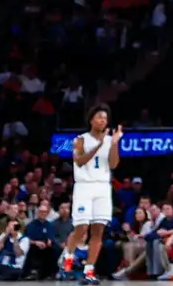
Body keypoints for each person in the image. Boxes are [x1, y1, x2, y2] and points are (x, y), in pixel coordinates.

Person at [62, 105, 120, 285]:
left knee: (98, 230)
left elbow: (113, 164)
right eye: (99, 117)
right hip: (84, 186)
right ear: (91, 120)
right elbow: (80, 161)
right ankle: (68, 257)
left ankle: (89, 271)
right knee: (81, 228)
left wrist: (114, 144)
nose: (103, 120)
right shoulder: (80, 140)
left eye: (105, 118)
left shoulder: (110, 140)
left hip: (103, 187)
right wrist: (98, 145)